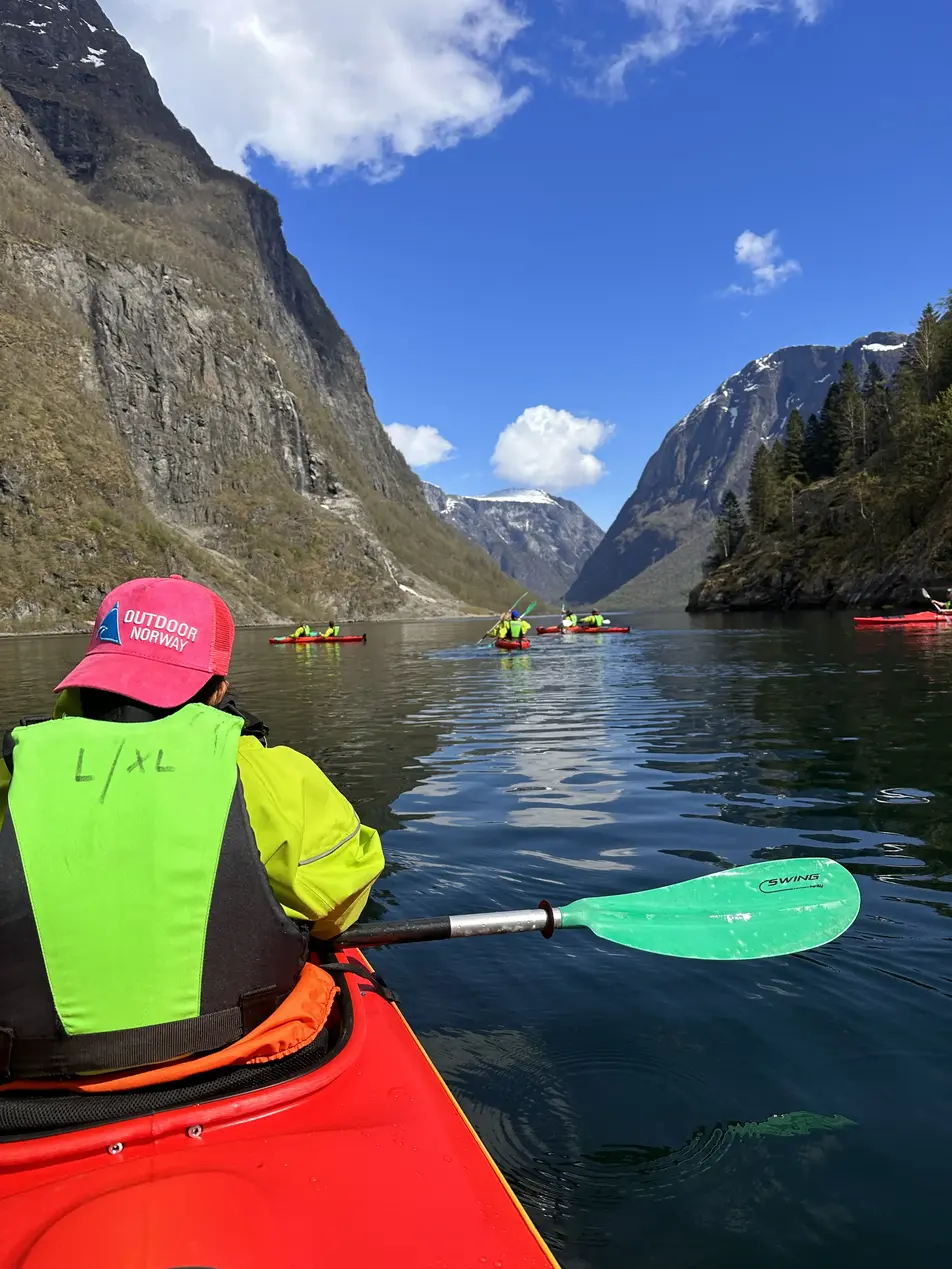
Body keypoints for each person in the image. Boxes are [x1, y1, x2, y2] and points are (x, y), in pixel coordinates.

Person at [0, 575, 384, 1089]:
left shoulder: (10, 774)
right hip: (238, 1059)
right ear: (219, 690)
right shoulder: (271, 776)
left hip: (31, 1086)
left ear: (90, 674)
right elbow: (338, 908)